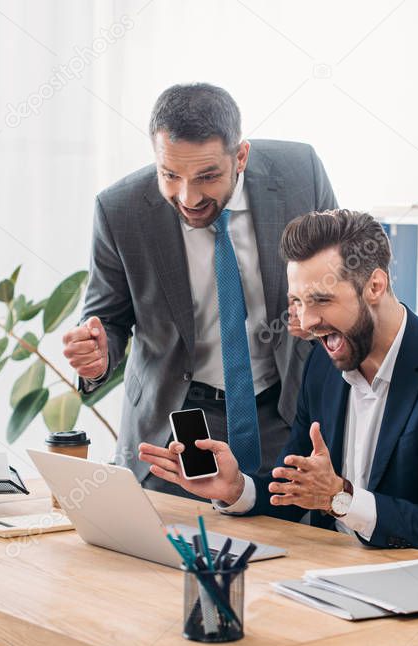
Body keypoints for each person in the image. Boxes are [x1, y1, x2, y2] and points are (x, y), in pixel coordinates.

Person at [139, 209, 418, 566]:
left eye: (322, 300)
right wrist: (236, 488)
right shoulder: (322, 365)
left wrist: (341, 499)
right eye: (299, 302)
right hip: (332, 575)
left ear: (375, 286)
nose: (308, 321)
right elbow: (296, 487)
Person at [61, 83, 338, 496]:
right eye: (170, 175)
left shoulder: (300, 172)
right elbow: (110, 320)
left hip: (283, 409)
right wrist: (98, 355)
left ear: (240, 156)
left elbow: (341, 273)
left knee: (291, 546)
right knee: (172, 551)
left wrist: (318, 310)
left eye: (207, 176)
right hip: (177, 421)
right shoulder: (121, 209)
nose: (188, 197)